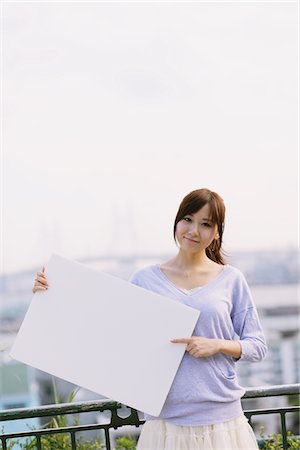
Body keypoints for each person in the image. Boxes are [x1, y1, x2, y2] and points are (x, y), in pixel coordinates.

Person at [33, 188, 267, 450]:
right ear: (176, 222)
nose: (193, 230)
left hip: (223, 423)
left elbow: (257, 345)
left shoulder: (231, 279)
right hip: (166, 425)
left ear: (216, 233)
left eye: (205, 224)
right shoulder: (145, 279)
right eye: (187, 219)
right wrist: (52, 293)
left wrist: (218, 345)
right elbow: (107, 328)